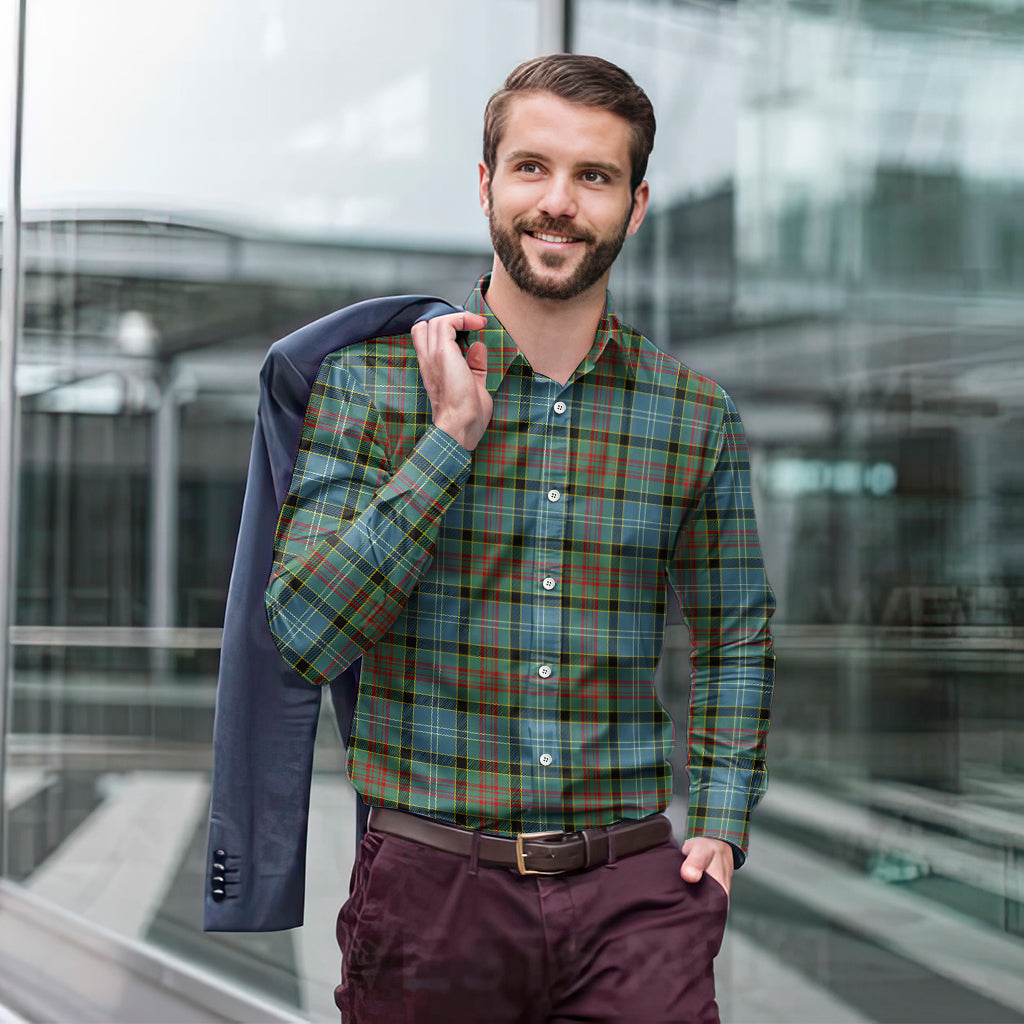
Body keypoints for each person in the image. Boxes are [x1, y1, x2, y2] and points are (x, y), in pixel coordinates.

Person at [265, 53, 775, 1024]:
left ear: (636, 203)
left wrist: (718, 816)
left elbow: (735, 631)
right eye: (533, 167)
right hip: (432, 896)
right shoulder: (371, 388)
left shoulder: (690, 414)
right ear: (487, 182)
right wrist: (449, 440)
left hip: (634, 897)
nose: (559, 202)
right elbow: (302, 633)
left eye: (595, 176)